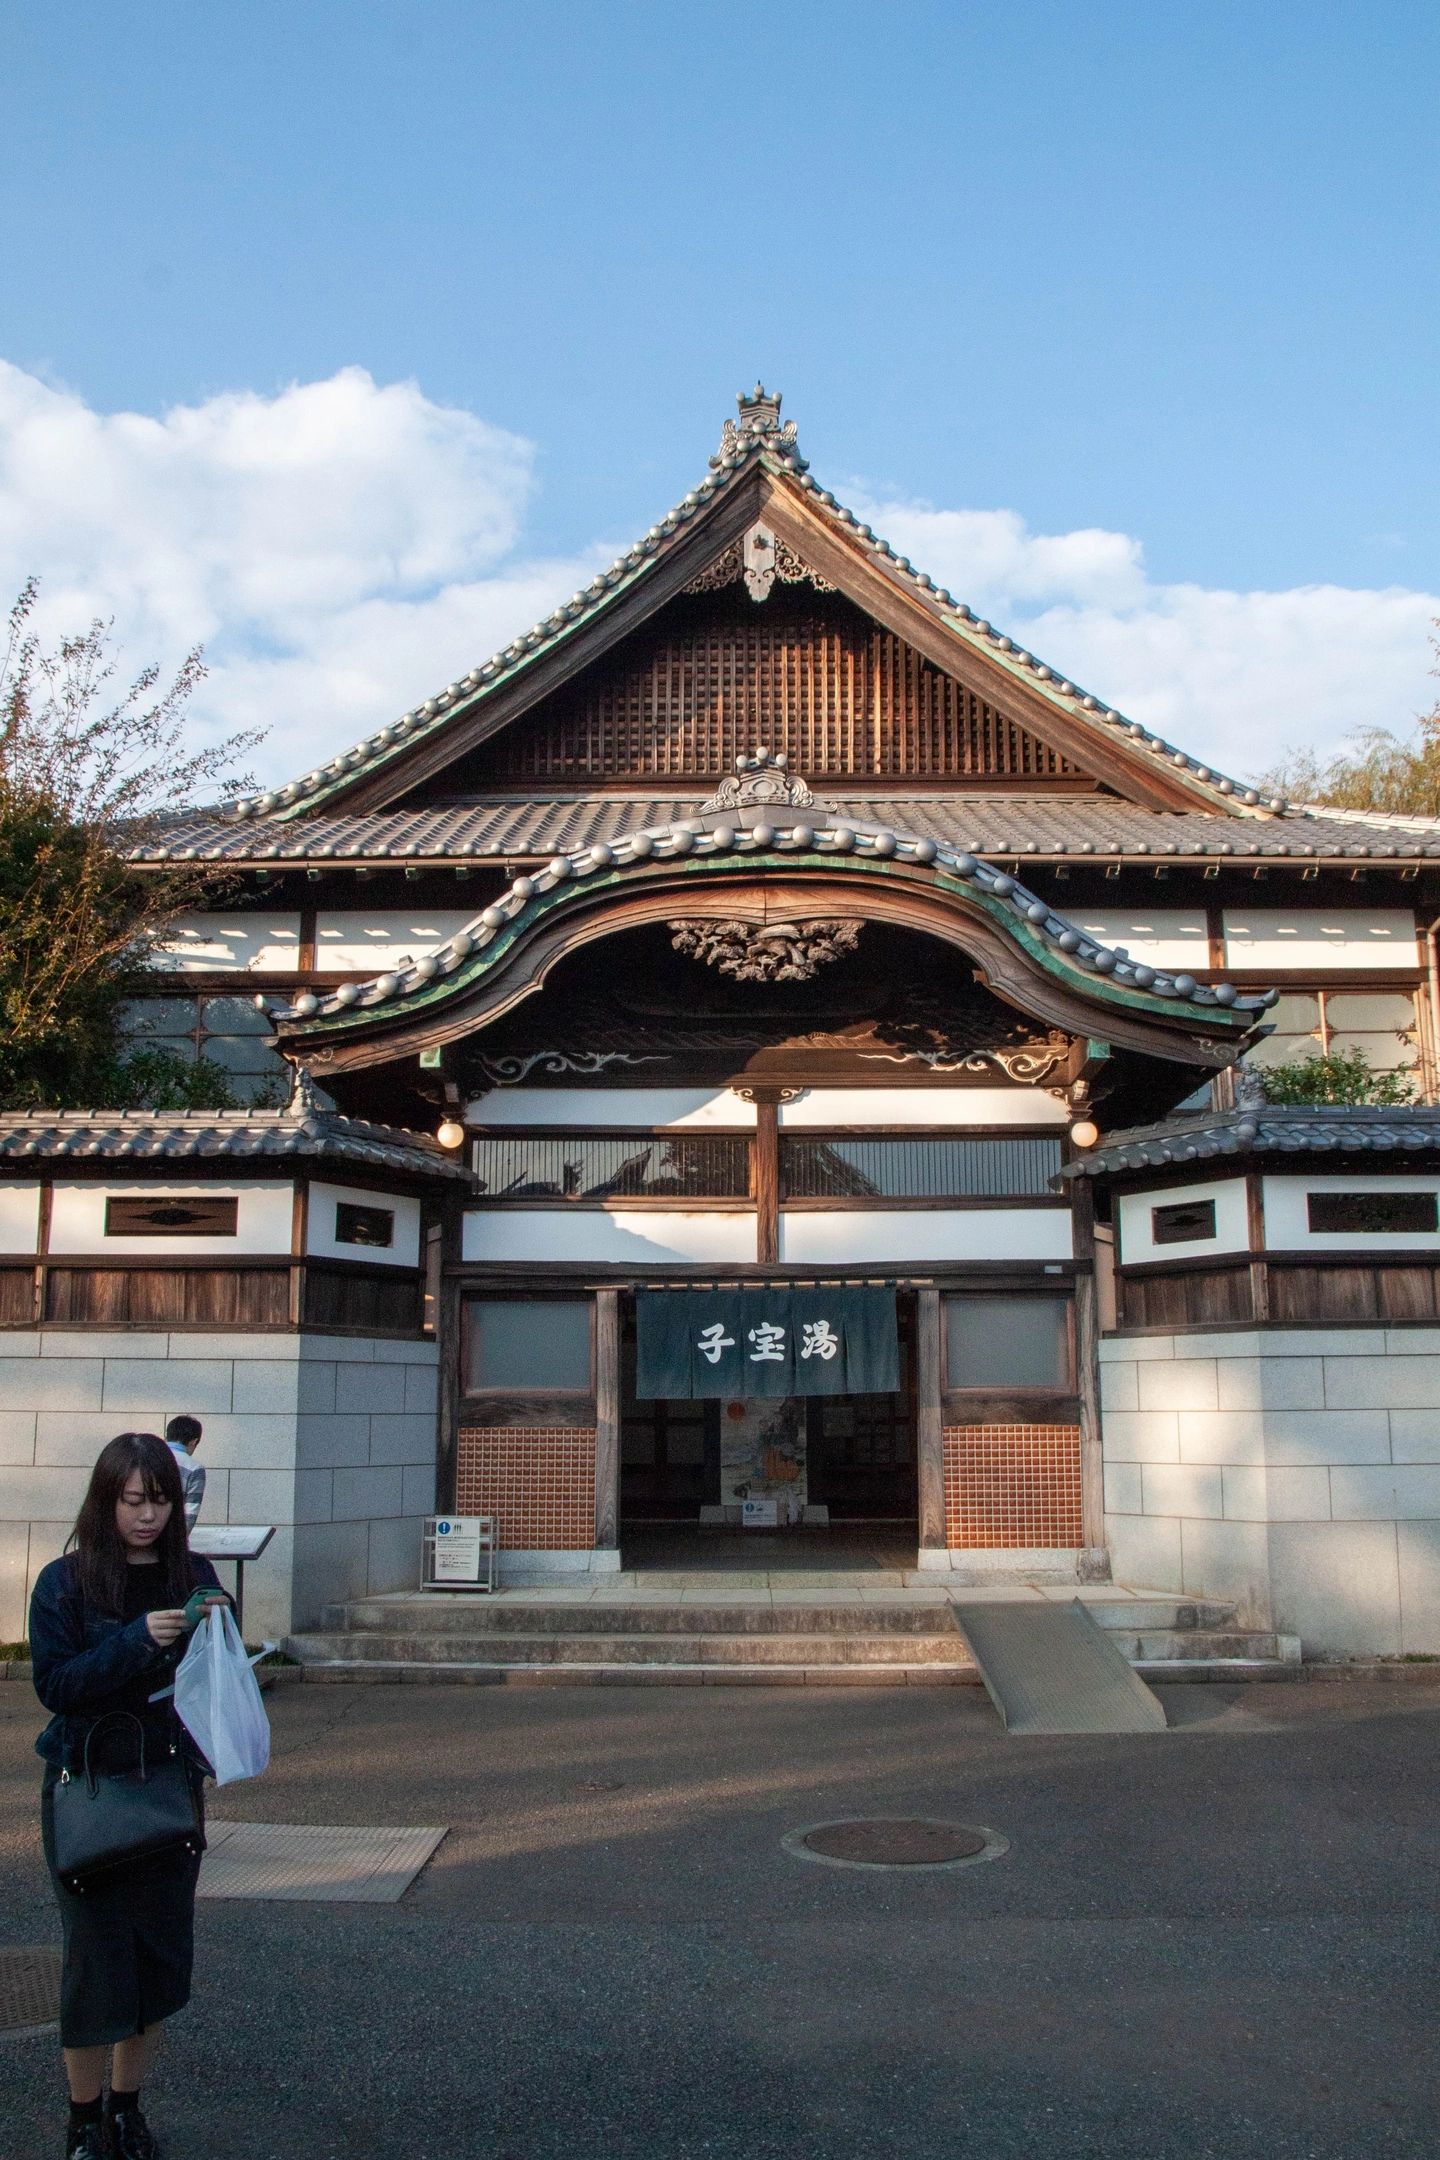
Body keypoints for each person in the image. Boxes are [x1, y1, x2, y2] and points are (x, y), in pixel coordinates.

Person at [30, 1432, 229, 2160]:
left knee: (157, 1955)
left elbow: (215, 1681)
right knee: (93, 1958)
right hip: (86, 1785)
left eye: (161, 1501)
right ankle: (82, 2120)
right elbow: (56, 1686)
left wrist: (218, 1625)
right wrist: (138, 1640)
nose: (148, 1516)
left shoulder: (191, 1572)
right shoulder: (64, 1581)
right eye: (133, 1500)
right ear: (105, 1500)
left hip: (168, 1782)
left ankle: (126, 2109)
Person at [162, 1416, 205, 1535]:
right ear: (194, 1441)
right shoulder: (194, 1468)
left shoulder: (146, 1457)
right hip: (171, 1534)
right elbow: (190, 1513)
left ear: (166, 1437)